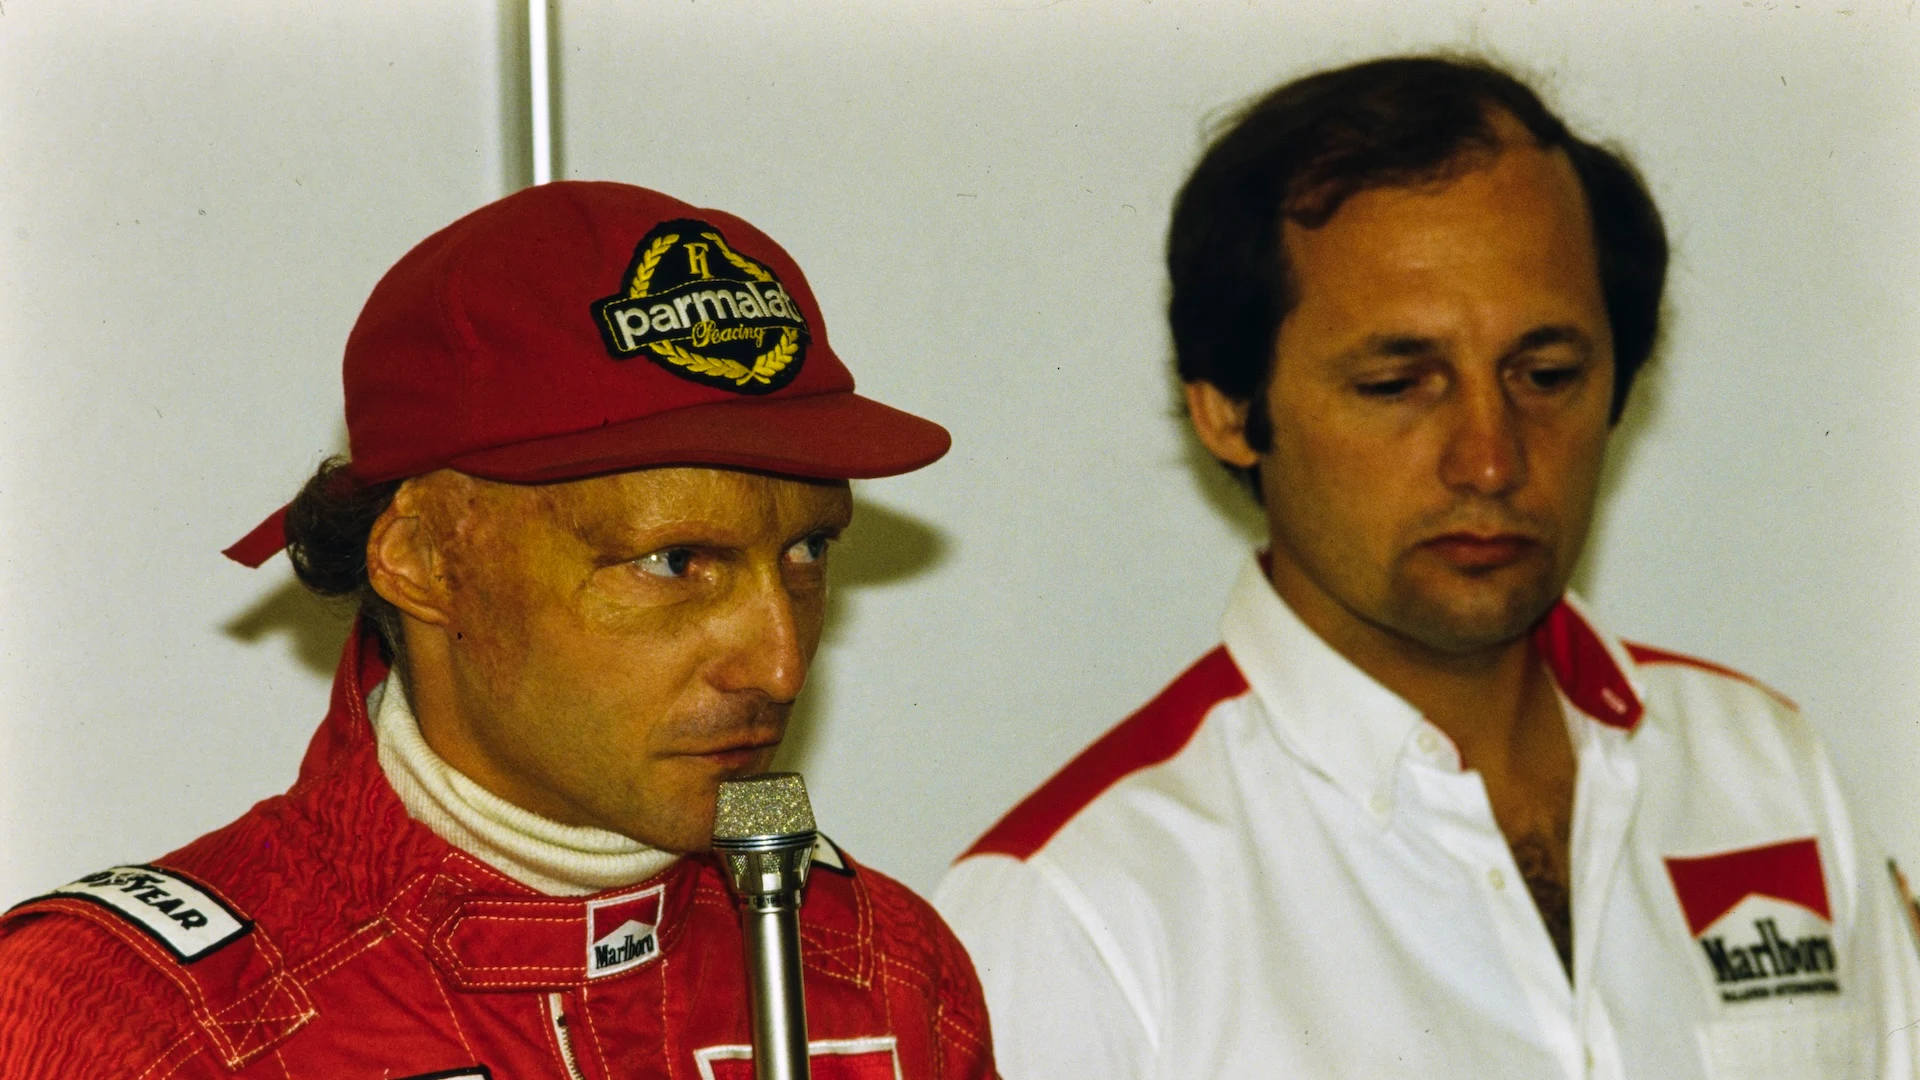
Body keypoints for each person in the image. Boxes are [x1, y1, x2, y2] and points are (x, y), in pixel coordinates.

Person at [936, 56, 1920, 1079]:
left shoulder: (1763, 771)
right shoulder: (1074, 908)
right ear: (1228, 409)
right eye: (1398, 383)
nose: (1490, 458)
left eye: (1546, 375)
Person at [0, 181, 996, 1080]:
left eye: (808, 554)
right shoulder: (127, 1023)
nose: (779, 662)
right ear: (426, 558)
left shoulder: (888, 971)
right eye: (675, 562)